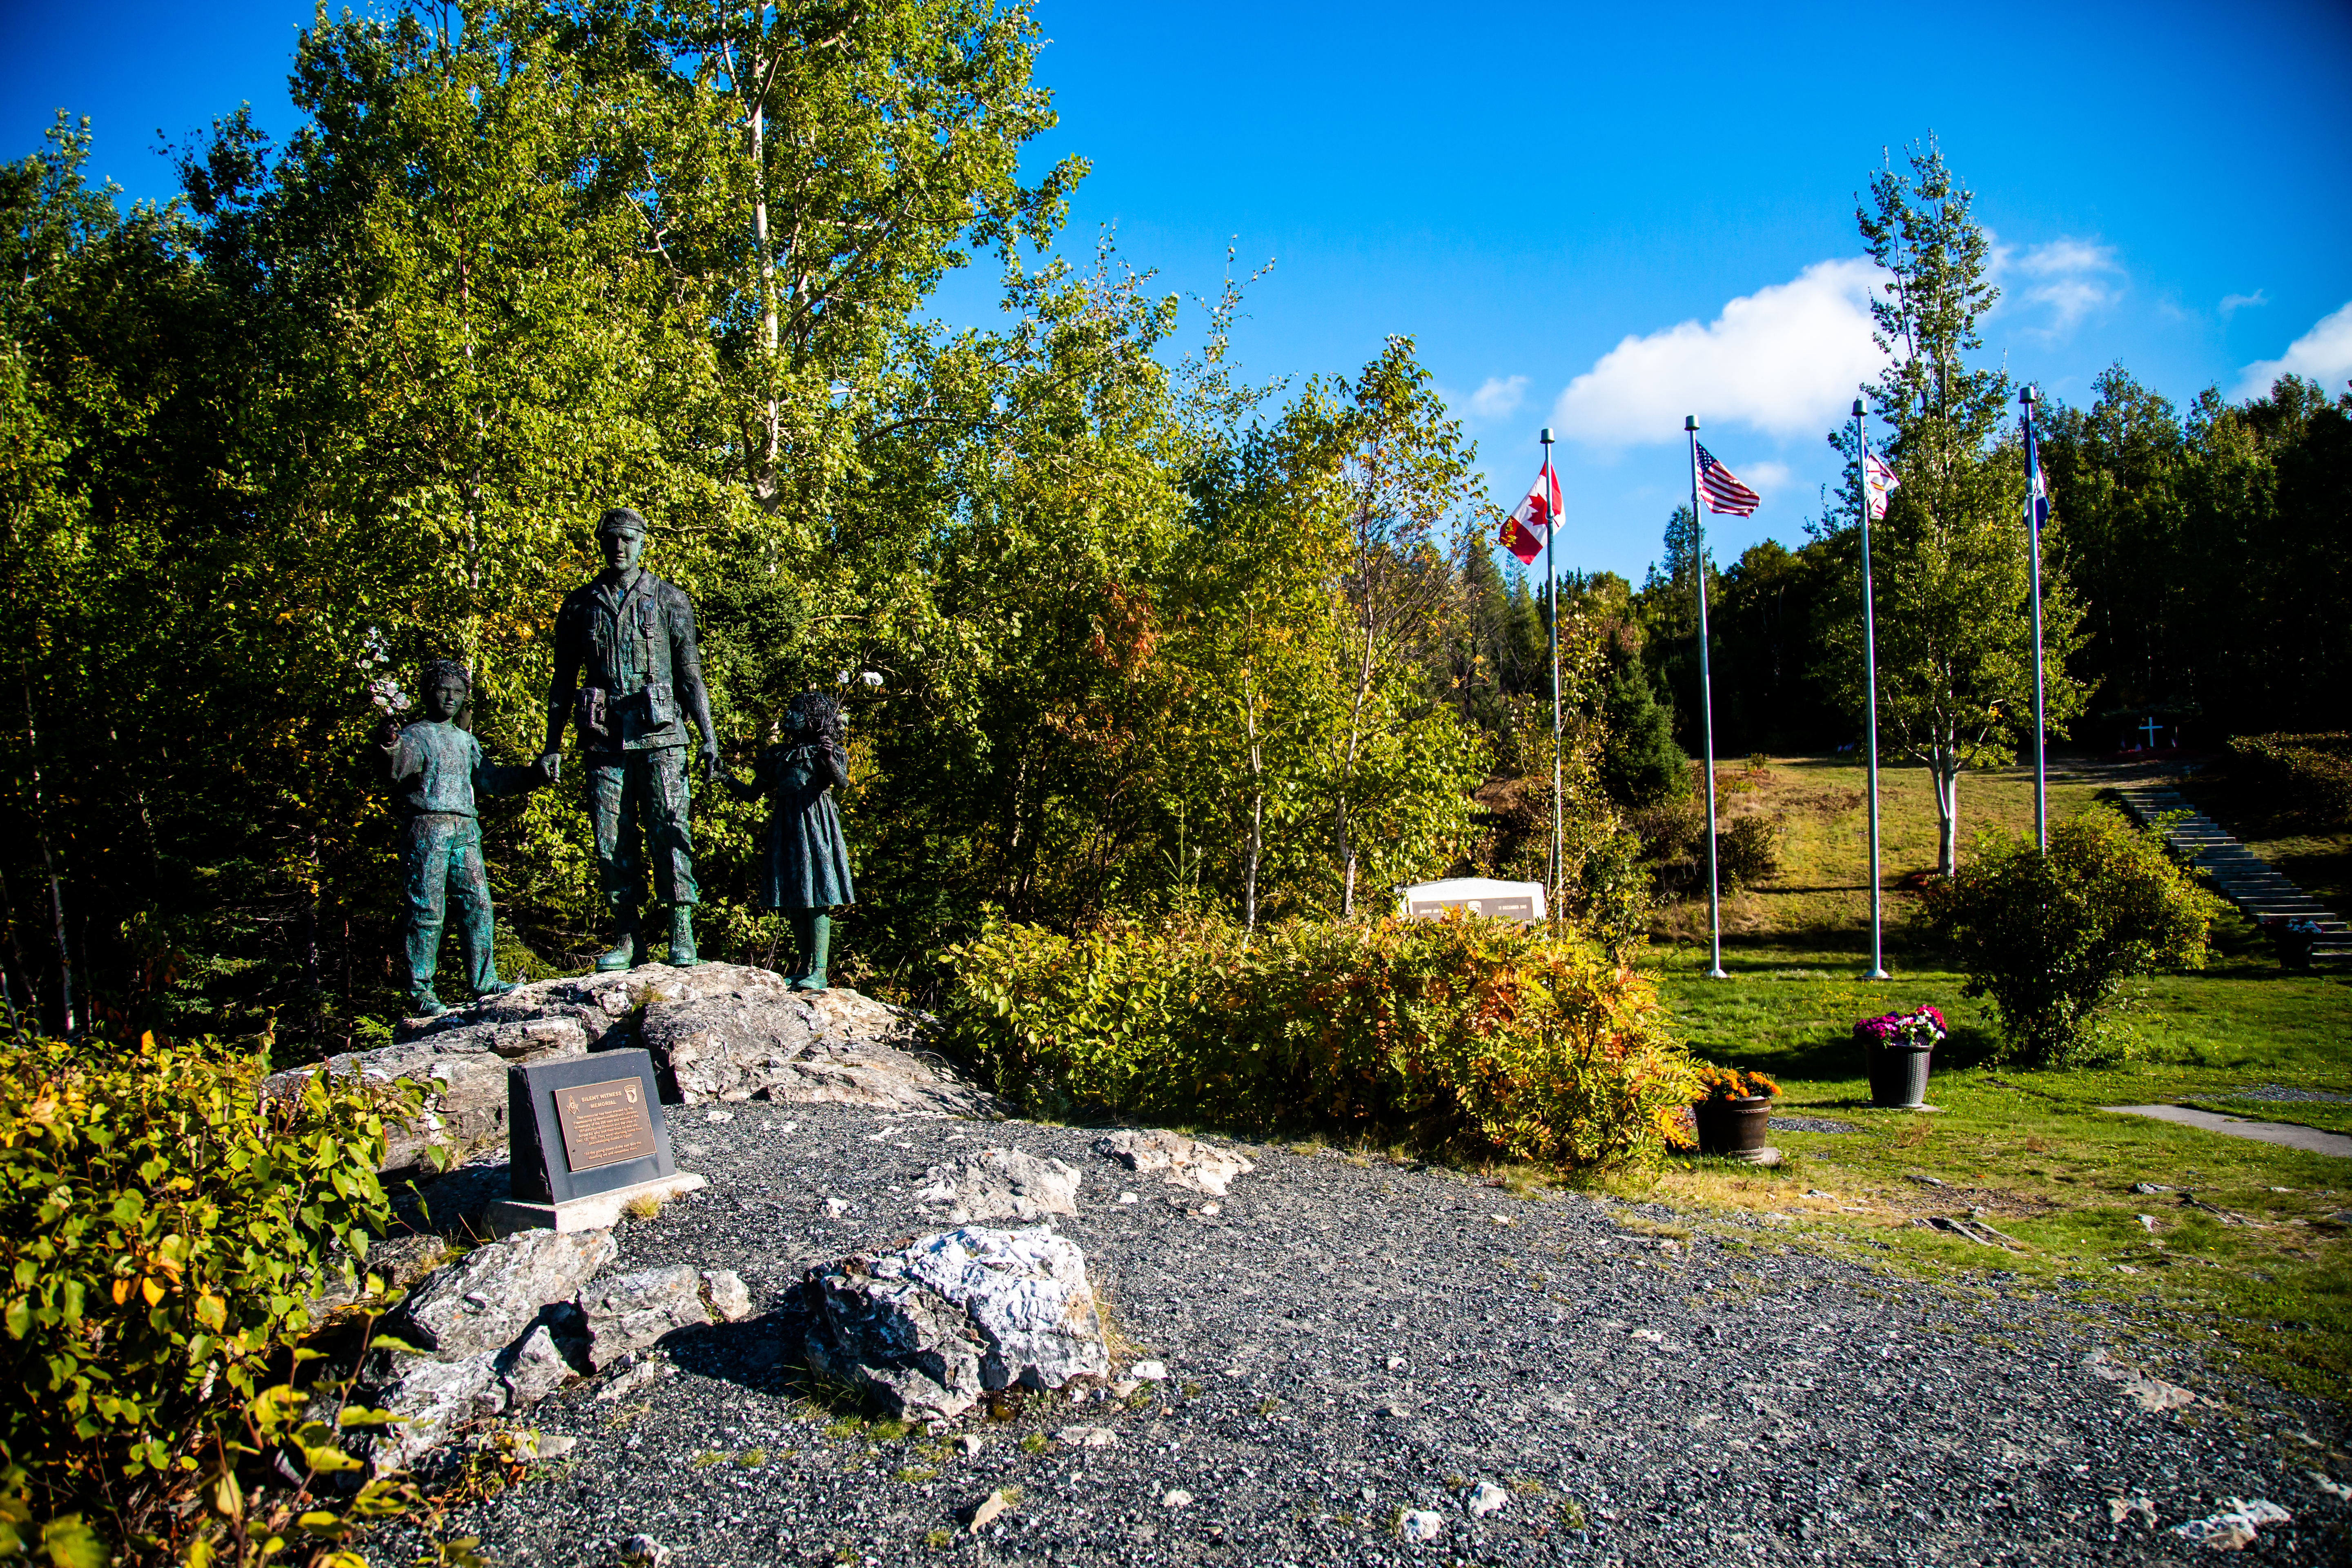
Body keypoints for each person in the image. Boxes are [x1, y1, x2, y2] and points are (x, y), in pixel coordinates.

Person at [539, 507, 720, 969]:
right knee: (610, 840)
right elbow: (562, 680)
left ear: (642, 543)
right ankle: (627, 937)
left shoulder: (669, 599)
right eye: (611, 539)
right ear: (602, 544)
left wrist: (708, 736)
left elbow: (690, 674)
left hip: (661, 735)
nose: (619, 547)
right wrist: (552, 744)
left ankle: (682, 931)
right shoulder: (579, 605)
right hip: (604, 739)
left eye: (627, 539)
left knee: (671, 830)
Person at [374, 660, 553, 1016]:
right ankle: (421, 990)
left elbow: (491, 781)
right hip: (428, 827)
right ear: (428, 693)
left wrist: (534, 774)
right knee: (427, 910)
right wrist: (390, 743)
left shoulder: (465, 740)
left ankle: (485, 983)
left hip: (465, 829)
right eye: (444, 690)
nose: (451, 698)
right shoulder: (417, 735)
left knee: (478, 905)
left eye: (458, 692)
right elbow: (396, 768)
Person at [727, 689, 856, 990]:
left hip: (816, 824)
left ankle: (820, 971)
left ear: (811, 719)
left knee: (818, 898)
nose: (787, 716)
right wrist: (724, 777)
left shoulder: (825, 750)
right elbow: (751, 794)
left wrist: (828, 759)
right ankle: (806, 966)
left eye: (795, 711)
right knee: (795, 900)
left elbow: (843, 783)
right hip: (787, 826)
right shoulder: (778, 755)